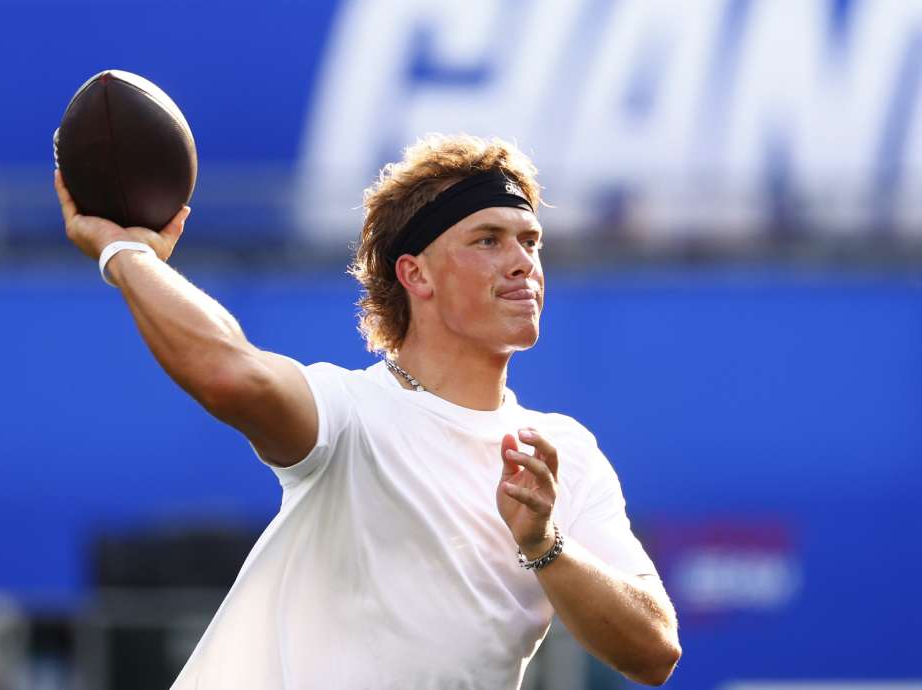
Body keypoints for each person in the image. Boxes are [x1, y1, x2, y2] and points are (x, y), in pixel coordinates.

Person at [54, 134, 681, 689]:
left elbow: (654, 651)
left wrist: (544, 545)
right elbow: (230, 372)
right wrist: (126, 254)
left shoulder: (562, 452)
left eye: (530, 241)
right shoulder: (349, 413)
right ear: (416, 274)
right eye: (487, 240)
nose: (523, 263)